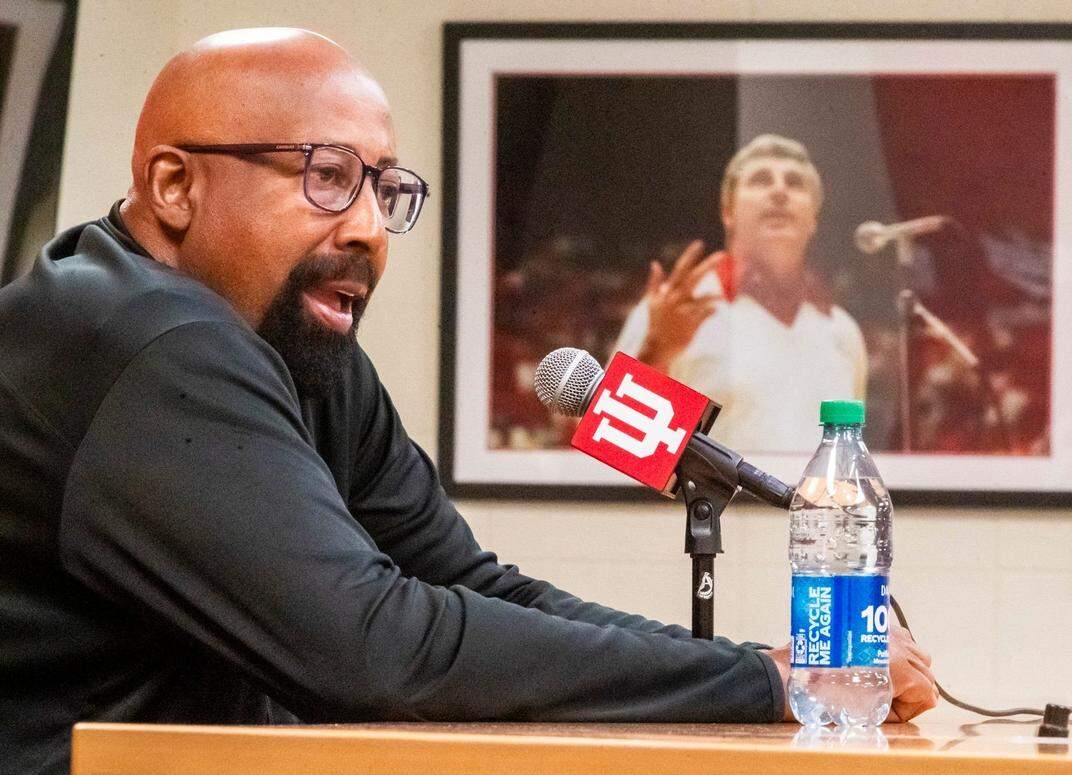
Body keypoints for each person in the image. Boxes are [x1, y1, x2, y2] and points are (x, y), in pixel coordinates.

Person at [0, 30, 936, 774]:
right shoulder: (145, 340)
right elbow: (371, 645)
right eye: (326, 177)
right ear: (174, 185)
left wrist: (767, 669)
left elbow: (470, 587)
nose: (367, 227)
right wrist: (763, 683)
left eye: (384, 187)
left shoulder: (290, 341)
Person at [613, 135, 868, 452]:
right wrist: (657, 351)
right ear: (727, 213)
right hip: (707, 504)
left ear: (813, 218)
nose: (779, 190)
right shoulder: (677, 308)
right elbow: (614, 455)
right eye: (761, 180)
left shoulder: (842, 332)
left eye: (795, 183)